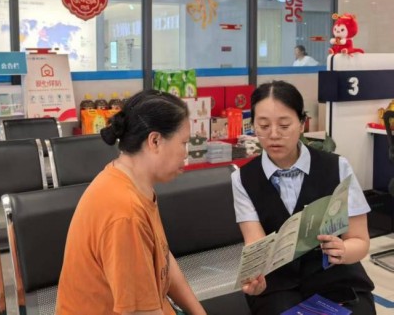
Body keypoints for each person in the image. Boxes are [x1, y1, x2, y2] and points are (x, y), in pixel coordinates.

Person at [56, 90, 207, 315]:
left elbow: (163, 259)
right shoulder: (124, 211)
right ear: (155, 141)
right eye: (183, 143)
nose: (185, 154)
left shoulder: (134, 183)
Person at [231, 80, 375, 315]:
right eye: (264, 125)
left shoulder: (337, 167)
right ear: (253, 126)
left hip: (336, 277)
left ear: (301, 123)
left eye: (284, 125)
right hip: (278, 285)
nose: (274, 135)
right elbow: (256, 246)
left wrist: (343, 250)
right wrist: (255, 278)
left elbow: (360, 241)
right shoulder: (243, 178)